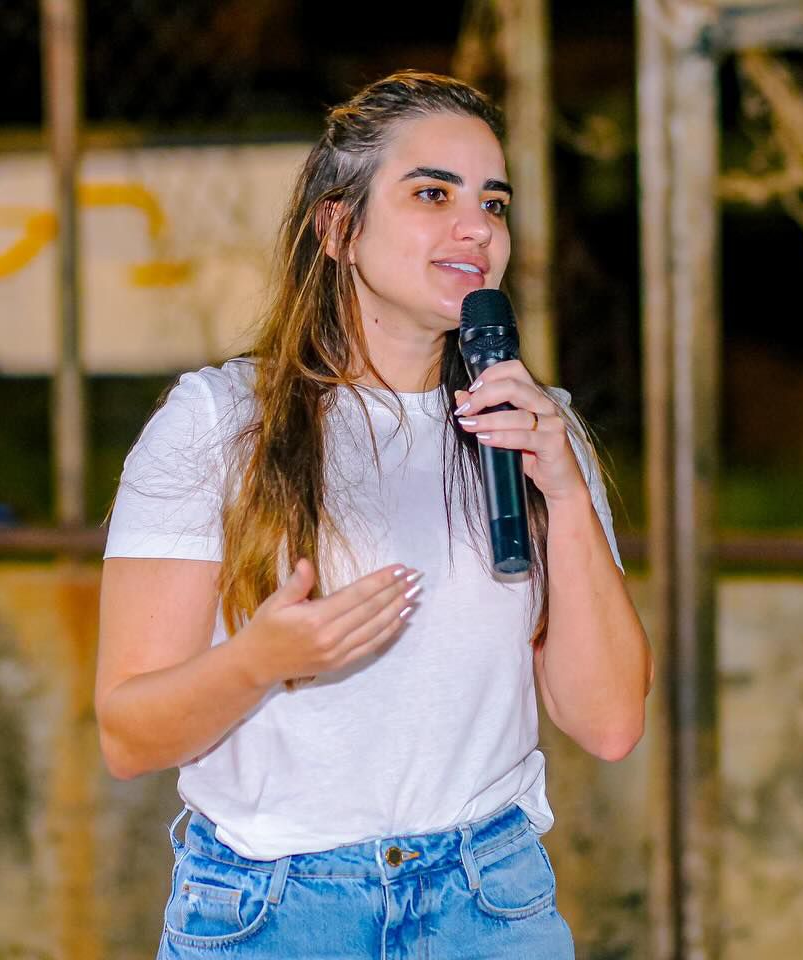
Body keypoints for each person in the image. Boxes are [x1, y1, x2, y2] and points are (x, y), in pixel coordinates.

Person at [96, 70, 652, 959]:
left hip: (488, 903)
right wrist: (261, 662)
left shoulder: (534, 426)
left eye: (494, 203)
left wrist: (569, 498)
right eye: (433, 193)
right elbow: (127, 735)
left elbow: (611, 722)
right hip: (271, 911)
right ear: (337, 226)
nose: (476, 228)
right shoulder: (216, 424)